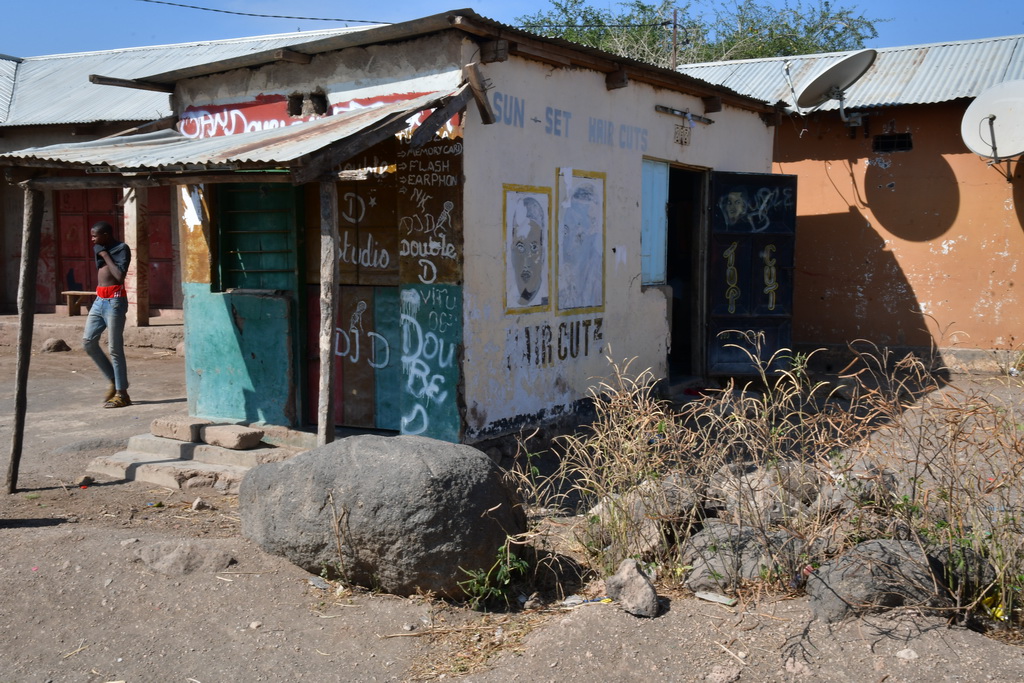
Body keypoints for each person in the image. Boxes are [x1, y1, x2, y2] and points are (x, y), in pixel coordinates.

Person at [83, 221, 132, 408]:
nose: (92, 239)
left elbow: (119, 277)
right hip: (99, 301)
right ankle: (114, 379)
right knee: (88, 342)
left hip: (115, 302)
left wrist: (104, 254)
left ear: (106, 234)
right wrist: (100, 251)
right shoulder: (98, 248)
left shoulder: (121, 248)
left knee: (115, 348)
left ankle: (122, 394)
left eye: (95, 235)